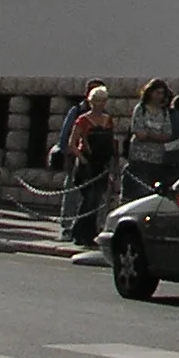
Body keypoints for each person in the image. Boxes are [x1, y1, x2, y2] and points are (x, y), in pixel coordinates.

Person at [62, 85, 117, 246]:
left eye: (102, 101)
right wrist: (83, 159)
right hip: (87, 162)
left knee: (97, 199)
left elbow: (112, 142)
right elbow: (72, 143)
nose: (99, 104)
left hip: (103, 163)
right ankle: (80, 232)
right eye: (96, 101)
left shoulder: (108, 120)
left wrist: (113, 163)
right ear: (90, 101)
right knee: (89, 198)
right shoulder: (83, 120)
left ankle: (89, 232)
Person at [123, 80, 176, 195]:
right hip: (140, 158)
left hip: (157, 159)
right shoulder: (141, 109)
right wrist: (156, 135)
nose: (159, 96)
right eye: (157, 93)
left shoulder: (164, 112)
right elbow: (140, 134)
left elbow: (167, 134)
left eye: (162, 93)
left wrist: (150, 135)